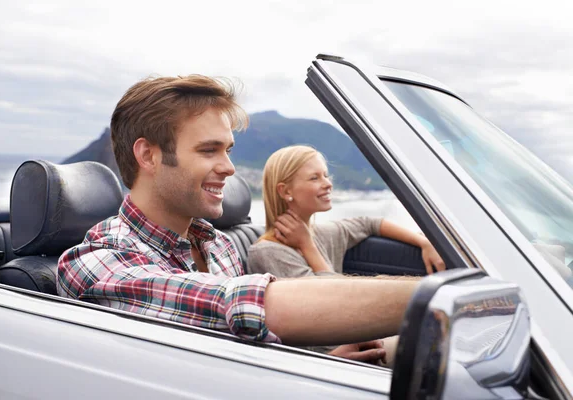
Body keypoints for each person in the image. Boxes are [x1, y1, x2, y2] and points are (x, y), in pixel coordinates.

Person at [57, 75, 422, 365]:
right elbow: (236, 304)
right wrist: (435, 298)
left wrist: (326, 358)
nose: (229, 168)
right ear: (148, 156)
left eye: (228, 150)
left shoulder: (219, 244)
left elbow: (248, 344)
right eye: (208, 150)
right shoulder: (96, 262)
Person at [247, 145, 446, 279]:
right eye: (314, 178)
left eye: (326, 175)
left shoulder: (320, 234)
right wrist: (307, 246)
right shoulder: (268, 253)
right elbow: (334, 299)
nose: (328, 184)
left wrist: (425, 242)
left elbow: (369, 223)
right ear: (285, 191)